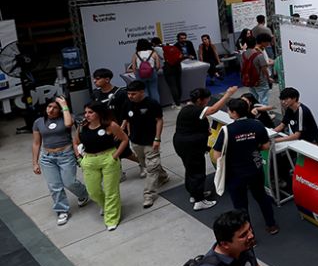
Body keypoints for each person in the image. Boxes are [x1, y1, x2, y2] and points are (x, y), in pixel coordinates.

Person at [214, 98, 279, 236]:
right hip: (255, 169)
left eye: (229, 110)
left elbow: (216, 155)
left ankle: (249, 235)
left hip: (235, 174)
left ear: (234, 113)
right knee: (261, 196)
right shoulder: (257, 124)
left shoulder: (227, 130)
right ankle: (271, 225)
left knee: (240, 206)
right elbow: (266, 145)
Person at [175, 86, 238, 211]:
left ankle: (194, 194)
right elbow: (213, 110)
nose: (207, 103)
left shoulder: (188, 109)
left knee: (191, 170)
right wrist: (228, 94)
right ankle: (199, 201)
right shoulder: (193, 110)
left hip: (184, 144)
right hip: (190, 146)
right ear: (199, 100)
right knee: (197, 171)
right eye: (206, 100)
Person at [32, 96, 89, 225]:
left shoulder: (67, 117)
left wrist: (64, 105)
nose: (51, 110)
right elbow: (36, 143)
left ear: (61, 110)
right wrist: (35, 162)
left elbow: (69, 124)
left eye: (55, 108)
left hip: (65, 155)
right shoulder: (39, 122)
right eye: (49, 107)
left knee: (69, 182)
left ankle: (83, 193)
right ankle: (62, 210)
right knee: (54, 186)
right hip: (47, 157)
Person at [75, 102, 129, 231]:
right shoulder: (82, 127)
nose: (87, 115)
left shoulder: (110, 125)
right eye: (86, 112)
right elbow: (76, 141)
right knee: (93, 191)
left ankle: (111, 218)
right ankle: (107, 206)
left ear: (99, 113)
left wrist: (114, 156)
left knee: (111, 190)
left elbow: (124, 139)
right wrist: (79, 157)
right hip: (89, 160)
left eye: (90, 112)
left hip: (108, 158)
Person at [122, 80, 168, 209]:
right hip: (136, 141)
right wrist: (124, 131)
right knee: (145, 164)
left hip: (150, 141)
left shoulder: (152, 103)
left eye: (133, 94)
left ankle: (149, 195)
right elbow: (127, 119)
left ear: (142, 92)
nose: (130, 96)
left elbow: (159, 120)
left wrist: (157, 138)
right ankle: (163, 176)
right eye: (129, 93)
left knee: (151, 167)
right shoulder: (128, 103)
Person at [242, 34, 272, 106]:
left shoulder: (244, 54)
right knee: (264, 98)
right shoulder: (259, 55)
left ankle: (255, 111)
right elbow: (264, 70)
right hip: (260, 80)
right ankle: (265, 114)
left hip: (249, 79)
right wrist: (268, 79)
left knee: (254, 97)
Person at [129, 38, 161, 104]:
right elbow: (158, 66)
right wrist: (154, 71)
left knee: (144, 91)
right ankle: (156, 107)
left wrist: (137, 74)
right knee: (154, 90)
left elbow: (134, 67)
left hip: (140, 74)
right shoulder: (153, 53)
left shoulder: (136, 54)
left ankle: (147, 107)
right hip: (152, 73)